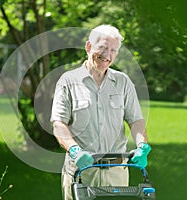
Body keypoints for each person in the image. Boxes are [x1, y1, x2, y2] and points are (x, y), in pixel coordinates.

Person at [50, 24, 151, 200]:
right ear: (88, 47)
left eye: (113, 50)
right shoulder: (68, 81)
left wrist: (142, 145)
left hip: (117, 173)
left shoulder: (123, 82)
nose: (107, 55)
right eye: (103, 48)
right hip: (81, 172)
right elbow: (59, 124)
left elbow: (136, 120)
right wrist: (75, 151)